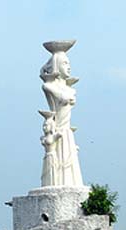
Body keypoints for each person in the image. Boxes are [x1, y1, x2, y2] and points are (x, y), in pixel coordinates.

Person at [39, 40, 83, 187]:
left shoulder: (70, 89)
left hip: (67, 130)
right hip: (57, 129)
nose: (69, 67)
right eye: (64, 63)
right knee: (58, 164)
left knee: (70, 166)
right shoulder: (49, 87)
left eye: (69, 63)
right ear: (57, 64)